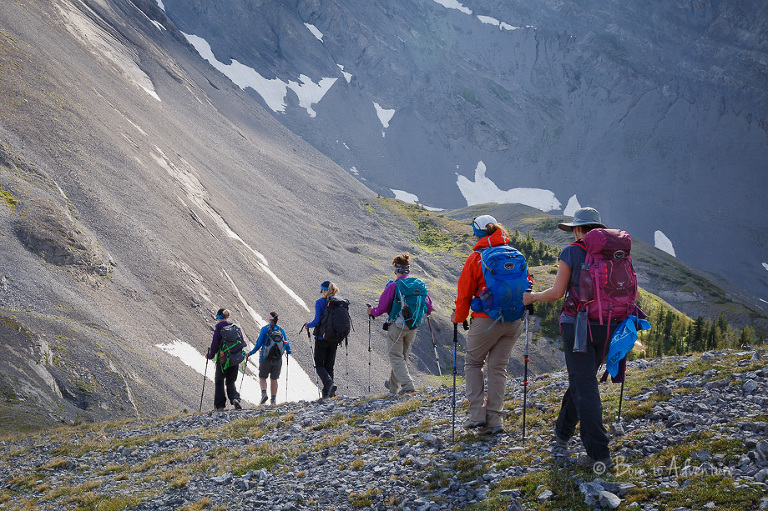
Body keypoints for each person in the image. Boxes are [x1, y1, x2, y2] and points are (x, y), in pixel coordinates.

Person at [523, 207, 614, 467]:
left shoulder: (572, 251)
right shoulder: (612, 253)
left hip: (578, 326)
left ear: (577, 229)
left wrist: (532, 297)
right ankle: (562, 433)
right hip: (607, 325)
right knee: (582, 378)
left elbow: (556, 292)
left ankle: (599, 454)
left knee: (584, 384)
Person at [450, 215, 524, 434]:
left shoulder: (476, 257)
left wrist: (459, 318)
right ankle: (495, 421)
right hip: (513, 320)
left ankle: (476, 415)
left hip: (485, 320)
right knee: (498, 368)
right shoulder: (515, 254)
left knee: (473, 363)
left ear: (479, 233)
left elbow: (464, 294)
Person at [367, 252, 433, 396]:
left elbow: (382, 308)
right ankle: (392, 387)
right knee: (401, 356)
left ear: (396, 270)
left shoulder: (394, 286)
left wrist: (371, 311)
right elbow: (429, 308)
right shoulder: (419, 285)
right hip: (413, 326)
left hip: (397, 325)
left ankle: (408, 386)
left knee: (396, 357)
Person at [246, 312, 291, 406]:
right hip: (277, 358)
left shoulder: (265, 329)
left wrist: (250, 353)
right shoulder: (281, 330)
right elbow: (286, 342)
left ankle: (264, 394)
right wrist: (288, 351)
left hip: (265, 358)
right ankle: (273, 400)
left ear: (270, 319)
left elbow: (258, 344)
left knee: (263, 377)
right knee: (274, 379)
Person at [305, 281, 340, 398]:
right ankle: (329, 394)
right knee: (329, 365)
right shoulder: (339, 303)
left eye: (322, 290)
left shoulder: (320, 302)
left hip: (321, 338)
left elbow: (316, 321)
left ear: (325, 290)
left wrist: (307, 325)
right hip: (334, 339)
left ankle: (329, 384)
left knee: (319, 365)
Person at [207, 308, 243, 411]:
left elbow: (214, 345)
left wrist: (210, 356)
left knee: (219, 380)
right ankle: (235, 399)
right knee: (231, 381)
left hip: (222, 359)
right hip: (234, 358)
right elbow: (241, 342)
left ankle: (220, 406)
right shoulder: (235, 328)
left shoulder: (219, 329)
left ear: (218, 317)